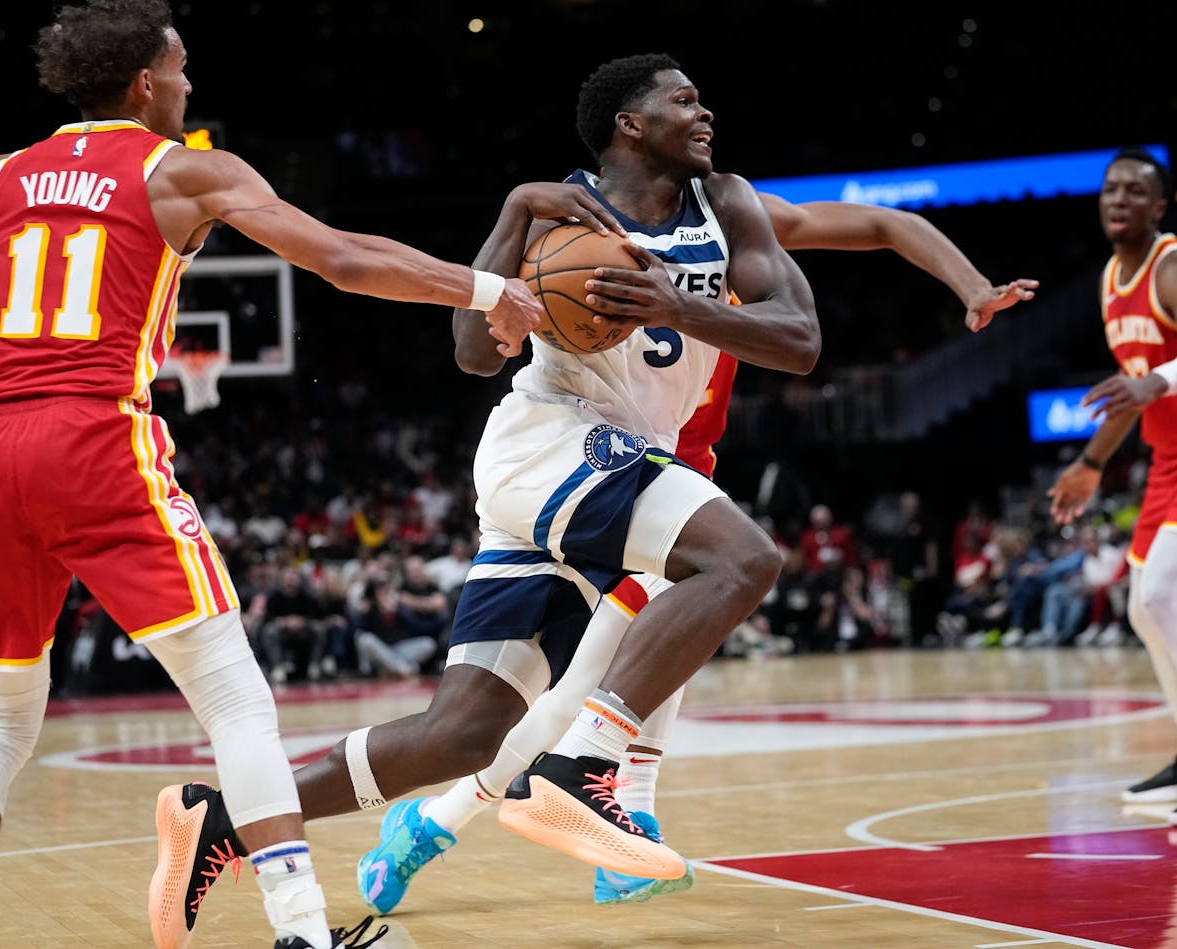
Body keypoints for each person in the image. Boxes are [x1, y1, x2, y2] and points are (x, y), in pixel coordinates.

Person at [159, 50, 1036, 927]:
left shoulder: (725, 203)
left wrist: (677, 306)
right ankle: (584, 771)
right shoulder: (553, 214)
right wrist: (510, 214)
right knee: (742, 559)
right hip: (551, 440)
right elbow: (472, 352)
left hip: (620, 465)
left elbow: (799, 339)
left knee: (463, 731)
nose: (705, 113)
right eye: (683, 100)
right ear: (630, 122)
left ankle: (227, 818)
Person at [0, 2, 542, 947]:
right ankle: (300, 928)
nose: (191, 85)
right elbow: (344, 259)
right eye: (183, 69)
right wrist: (486, 286)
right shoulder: (185, 170)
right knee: (235, 699)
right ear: (143, 83)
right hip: (94, 442)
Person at [352, 185, 1037, 912]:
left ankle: (615, 816)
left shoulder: (735, 224)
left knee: (646, 662)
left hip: (679, 470)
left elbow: (883, 221)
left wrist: (971, 285)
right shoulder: (589, 223)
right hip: (593, 454)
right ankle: (435, 821)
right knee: (581, 692)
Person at [1048, 146, 1177, 827]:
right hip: (1172, 455)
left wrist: (1157, 381)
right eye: (1109, 189)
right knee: (1146, 609)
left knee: (1165, 594)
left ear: (1158, 205)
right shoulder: (1110, 280)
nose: (1117, 199)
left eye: (1133, 190)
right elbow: (1130, 390)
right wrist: (1091, 463)